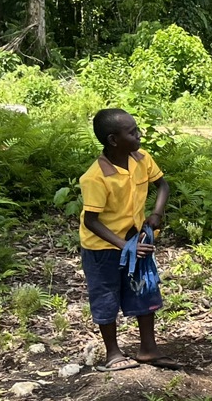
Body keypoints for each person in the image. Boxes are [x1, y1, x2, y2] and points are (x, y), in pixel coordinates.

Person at [78, 108, 173, 373]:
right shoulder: (96, 177)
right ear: (113, 140)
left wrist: (155, 214)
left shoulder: (142, 159)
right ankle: (113, 353)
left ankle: (148, 348)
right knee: (106, 295)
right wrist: (124, 246)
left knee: (143, 289)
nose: (139, 134)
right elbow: (91, 221)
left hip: (135, 238)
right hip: (103, 248)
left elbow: (162, 185)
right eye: (132, 132)